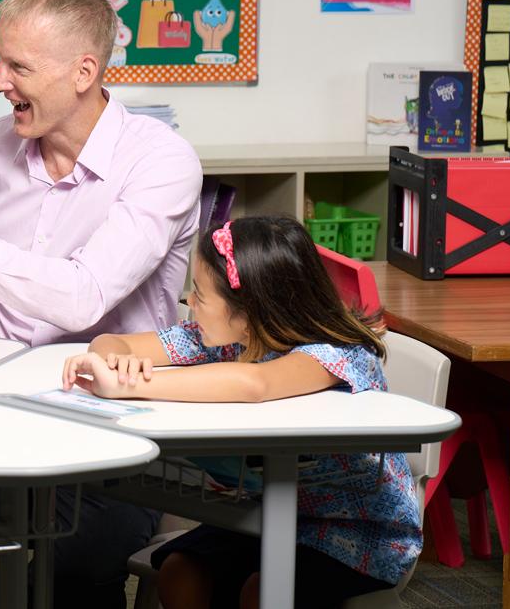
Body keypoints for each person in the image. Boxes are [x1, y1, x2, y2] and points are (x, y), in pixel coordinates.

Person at [0, 0, 203, 608]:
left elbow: (84, 297)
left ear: (84, 71)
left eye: (17, 66)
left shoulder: (161, 163)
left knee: (75, 569)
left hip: (113, 424)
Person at [62, 216, 420, 609]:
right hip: (262, 518)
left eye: (199, 293)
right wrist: (111, 360)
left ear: (248, 312)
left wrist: (125, 386)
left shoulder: (337, 354)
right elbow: (115, 342)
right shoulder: (223, 336)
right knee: (180, 572)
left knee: (261, 593)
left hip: (358, 533)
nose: (189, 302)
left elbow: (256, 384)